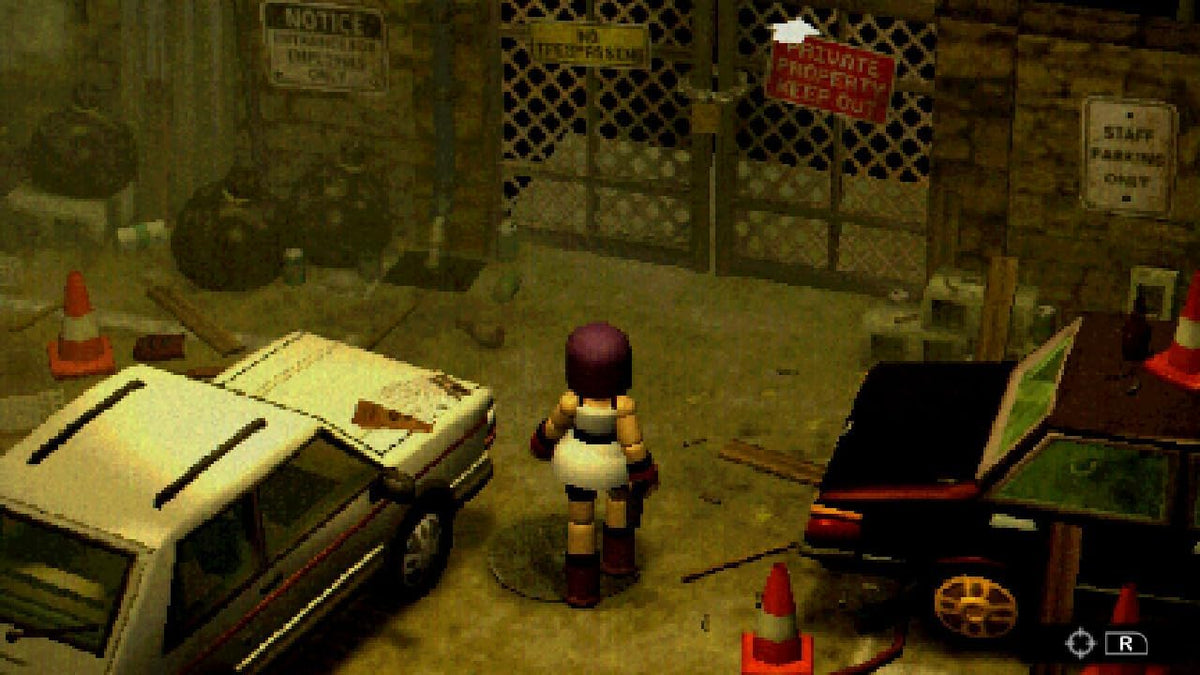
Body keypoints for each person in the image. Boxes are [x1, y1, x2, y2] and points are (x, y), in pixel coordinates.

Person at [529, 322, 659, 608]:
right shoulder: (621, 406)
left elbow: (553, 427)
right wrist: (644, 471)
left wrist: (541, 443)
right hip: (611, 463)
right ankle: (618, 561)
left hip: (577, 461)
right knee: (619, 505)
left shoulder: (570, 401)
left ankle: (582, 588)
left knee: (580, 522)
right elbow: (632, 445)